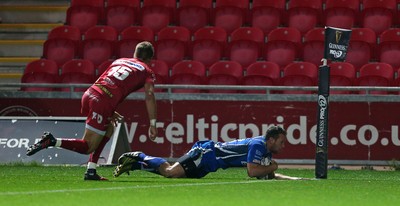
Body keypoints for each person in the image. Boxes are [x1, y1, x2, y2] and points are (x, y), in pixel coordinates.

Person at [26, 41, 158, 181]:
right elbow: (149, 95)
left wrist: (109, 110)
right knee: (87, 147)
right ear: (150, 59)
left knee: (109, 128)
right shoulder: (146, 70)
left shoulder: (120, 60)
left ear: (134, 54)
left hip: (90, 94)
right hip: (102, 101)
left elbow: (107, 82)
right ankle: (52, 141)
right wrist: (153, 123)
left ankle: (91, 170)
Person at [113, 126, 306, 180]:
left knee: (170, 174)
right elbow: (253, 172)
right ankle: (140, 156)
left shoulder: (266, 153)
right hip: (205, 153)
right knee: (171, 172)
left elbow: (269, 175)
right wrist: (273, 166)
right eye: (281, 142)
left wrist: (292, 179)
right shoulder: (258, 145)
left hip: (209, 166)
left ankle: (136, 164)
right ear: (270, 140)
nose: (283, 146)